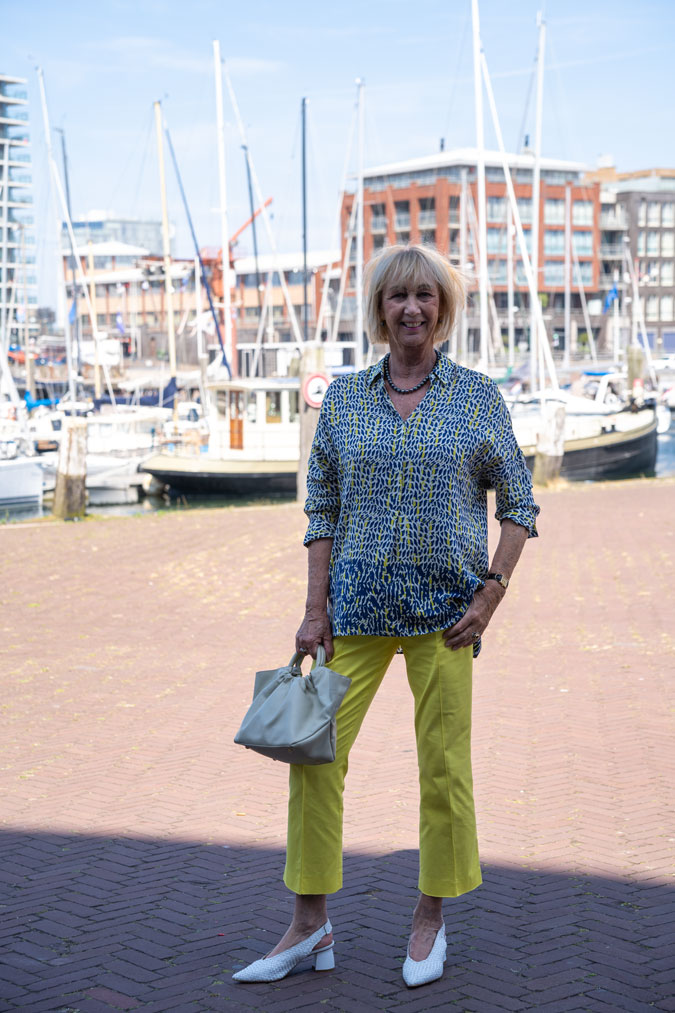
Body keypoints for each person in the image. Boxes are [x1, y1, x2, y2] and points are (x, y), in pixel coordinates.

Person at [233, 244, 539, 988]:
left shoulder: (475, 397)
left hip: (446, 616)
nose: (411, 308)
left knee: (442, 768)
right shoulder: (343, 398)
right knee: (313, 758)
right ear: (378, 308)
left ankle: (429, 916)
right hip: (355, 612)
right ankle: (310, 925)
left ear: (443, 309)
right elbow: (322, 509)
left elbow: (520, 505)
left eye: (424, 296)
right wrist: (312, 610)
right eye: (397, 295)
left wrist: (489, 594)